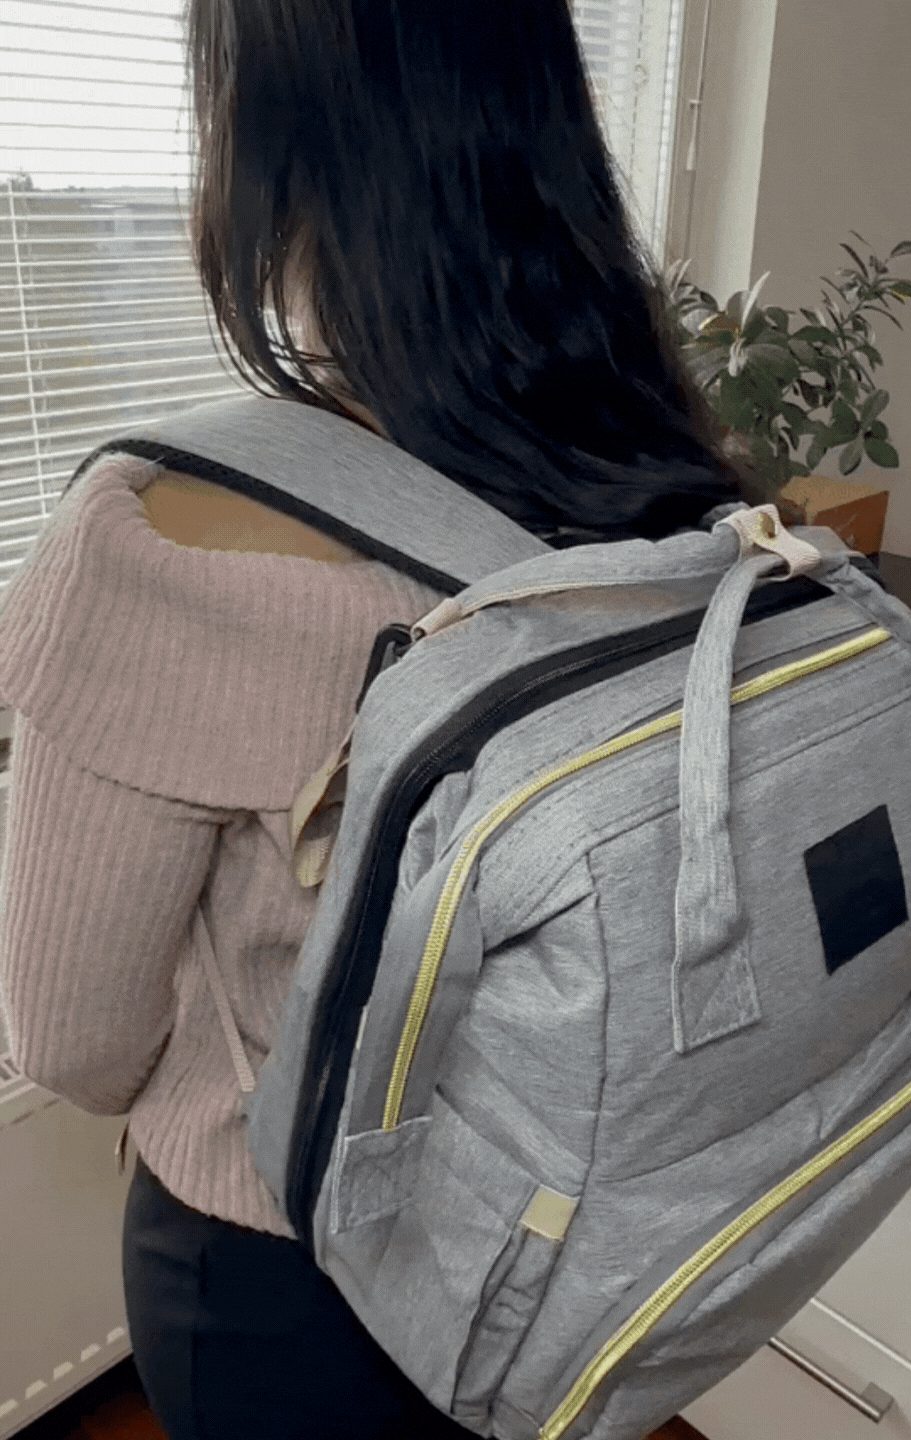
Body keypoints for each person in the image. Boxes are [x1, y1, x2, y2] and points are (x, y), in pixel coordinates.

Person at [0, 2, 741, 1437]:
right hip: (583, 1217)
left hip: (294, 1281)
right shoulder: (666, 476)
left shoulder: (162, 543)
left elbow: (75, 1042)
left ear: (265, 149)